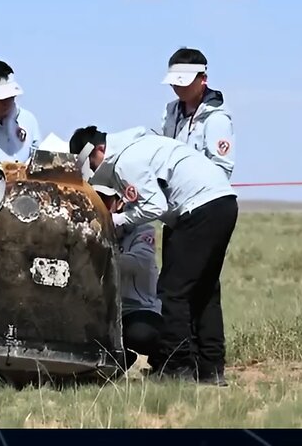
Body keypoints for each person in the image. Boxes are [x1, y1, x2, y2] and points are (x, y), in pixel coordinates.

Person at [74, 124, 238, 386]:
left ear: (100, 150)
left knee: (174, 291)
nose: (93, 172)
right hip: (223, 202)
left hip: (198, 208)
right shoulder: (140, 145)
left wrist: (117, 219)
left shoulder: (125, 161)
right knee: (205, 290)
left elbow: (155, 205)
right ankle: (210, 368)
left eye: (91, 165)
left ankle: (177, 368)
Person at [92, 183, 162, 373]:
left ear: (119, 203)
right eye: (95, 199)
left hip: (139, 308)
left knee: (140, 335)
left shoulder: (142, 230)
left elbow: (139, 261)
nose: (100, 205)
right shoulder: (89, 230)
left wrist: (97, 257)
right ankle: (117, 362)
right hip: (104, 313)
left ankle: (164, 360)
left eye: (105, 200)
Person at [160, 47, 235, 179]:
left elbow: (222, 170)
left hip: (204, 196)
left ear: (203, 79)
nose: (178, 88)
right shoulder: (170, 112)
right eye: (174, 83)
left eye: (184, 83)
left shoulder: (217, 119)